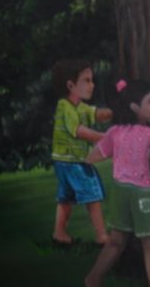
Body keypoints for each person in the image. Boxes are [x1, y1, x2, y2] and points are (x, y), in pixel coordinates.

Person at [84, 79, 150, 287]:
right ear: (134, 107)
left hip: (119, 191)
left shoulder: (115, 133)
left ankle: (93, 277)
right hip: (143, 195)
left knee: (117, 241)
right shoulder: (149, 133)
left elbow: (93, 156)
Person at [51, 59, 112, 245]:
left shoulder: (81, 107)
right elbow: (78, 131)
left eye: (92, 80)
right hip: (74, 161)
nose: (92, 85)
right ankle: (102, 236)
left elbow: (98, 114)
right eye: (87, 80)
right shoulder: (65, 106)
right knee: (92, 195)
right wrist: (106, 138)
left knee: (66, 198)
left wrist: (117, 109)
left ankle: (59, 232)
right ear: (71, 85)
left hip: (63, 161)